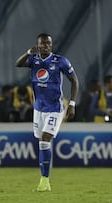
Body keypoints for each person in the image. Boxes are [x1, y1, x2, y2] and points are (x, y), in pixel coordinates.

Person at [15, 33, 79, 192]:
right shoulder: (34, 60)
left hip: (55, 108)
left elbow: (74, 80)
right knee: (41, 142)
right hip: (38, 108)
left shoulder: (60, 61)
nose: (46, 46)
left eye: (49, 43)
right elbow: (18, 64)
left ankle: (44, 181)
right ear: (38, 45)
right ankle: (44, 179)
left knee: (45, 140)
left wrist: (71, 103)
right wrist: (28, 52)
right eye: (43, 44)